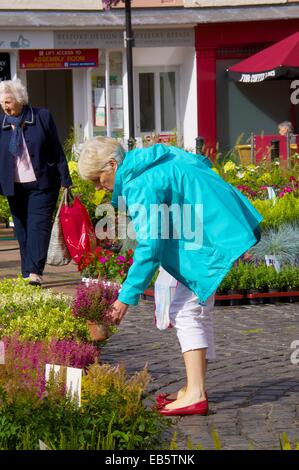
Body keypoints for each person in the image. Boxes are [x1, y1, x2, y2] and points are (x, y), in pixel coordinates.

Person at [78, 137, 263, 416]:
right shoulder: (152, 161)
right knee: (195, 310)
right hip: (211, 228)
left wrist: (125, 298)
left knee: (186, 311)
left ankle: (196, 394)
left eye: (98, 179)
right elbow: (200, 165)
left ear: (113, 165)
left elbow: (150, 247)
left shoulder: (139, 183)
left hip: (203, 238)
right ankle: (193, 388)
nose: (99, 187)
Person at [0, 79, 72, 286]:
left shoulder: (41, 117)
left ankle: (35, 271)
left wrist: (65, 178)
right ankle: (26, 272)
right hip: (14, 185)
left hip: (42, 183)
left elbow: (56, 149)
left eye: (9, 102)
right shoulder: (2, 124)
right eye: (2, 103)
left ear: (20, 99)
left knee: (38, 226)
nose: (5, 107)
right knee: (22, 228)